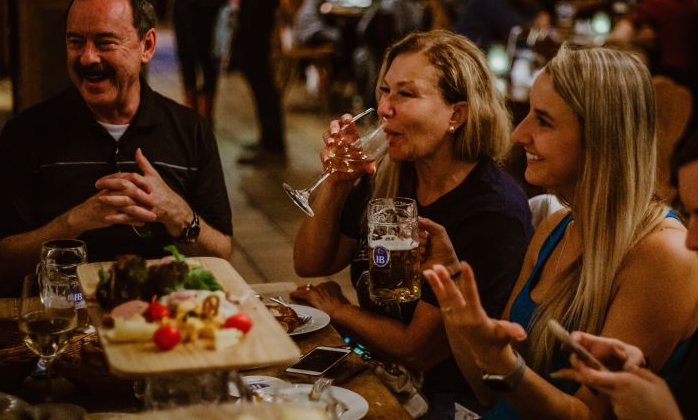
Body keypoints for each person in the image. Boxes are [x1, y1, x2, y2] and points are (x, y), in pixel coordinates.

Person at [422, 44, 698, 419]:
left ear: (602, 139)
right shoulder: (555, 227)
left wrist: (504, 364)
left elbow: (588, 414)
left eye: (543, 120)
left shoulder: (663, 255)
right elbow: (490, 391)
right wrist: (454, 298)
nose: (519, 134)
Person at [291, 30, 533, 417]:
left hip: (444, 400)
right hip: (377, 371)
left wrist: (339, 310)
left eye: (405, 94)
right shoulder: (390, 171)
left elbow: (418, 349)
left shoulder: (492, 211)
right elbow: (310, 262)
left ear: (457, 113)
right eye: (384, 91)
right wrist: (337, 184)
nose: (385, 108)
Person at [0, 0, 233, 296]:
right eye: (76, 42)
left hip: (164, 326)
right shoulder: (25, 133)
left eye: (105, 42)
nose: (87, 58)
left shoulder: (191, 130)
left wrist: (177, 213)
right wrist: (75, 222)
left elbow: (222, 255)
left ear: (147, 46)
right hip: (63, 324)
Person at [549, 130, 698, 420]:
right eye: (689, 214)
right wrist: (639, 371)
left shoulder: (667, 254)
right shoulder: (557, 227)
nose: (691, 241)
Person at [125, 0, 224, 121]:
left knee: (204, 57)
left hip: (204, 3)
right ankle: (194, 115)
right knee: (187, 57)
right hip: (185, 4)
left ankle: (206, 117)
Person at [609, 0, 698, 132]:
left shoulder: (655, 3)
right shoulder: (693, 3)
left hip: (669, 81)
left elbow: (617, 37)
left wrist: (635, 38)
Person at [232, 0, 295, 165]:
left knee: (259, 72)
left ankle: (273, 145)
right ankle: (269, 139)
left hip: (259, 6)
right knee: (256, 71)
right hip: (256, 4)